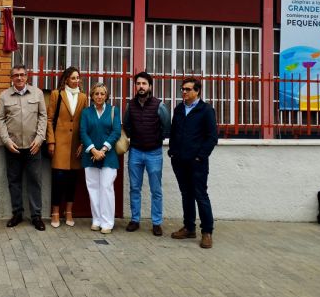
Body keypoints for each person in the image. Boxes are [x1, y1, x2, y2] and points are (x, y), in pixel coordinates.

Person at [0, 64, 47, 231]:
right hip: (13, 147)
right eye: (16, 75)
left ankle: (36, 216)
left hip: (34, 147)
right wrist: (6, 141)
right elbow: (0, 120)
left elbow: (43, 117)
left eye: (22, 75)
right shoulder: (4, 96)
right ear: (12, 78)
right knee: (14, 181)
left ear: (27, 77)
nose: (19, 78)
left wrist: (39, 139)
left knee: (35, 181)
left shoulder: (37, 93)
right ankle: (17, 213)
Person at [169, 77, 218, 249]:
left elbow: (212, 138)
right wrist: (173, 153)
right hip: (180, 161)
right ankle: (189, 227)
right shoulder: (179, 109)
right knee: (186, 194)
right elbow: (174, 133)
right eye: (182, 89)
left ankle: (207, 231)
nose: (184, 92)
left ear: (197, 91)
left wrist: (200, 156)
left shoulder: (206, 110)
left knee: (200, 195)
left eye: (188, 89)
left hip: (197, 163)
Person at [123, 71, 171, 236]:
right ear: (135, 86)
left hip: (154, 153)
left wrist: (156, 140)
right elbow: (127, 125)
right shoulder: (130, 105)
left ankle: (156, 223)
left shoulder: (160, 105)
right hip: (135, 152)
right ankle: (135, 219)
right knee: (134, 188)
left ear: (150, 86)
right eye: (138, 84)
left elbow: (166, 127)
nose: (141, 86)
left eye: (144, 84)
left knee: (156, 189)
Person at [46, 66, 86, 228]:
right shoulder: (57, 95)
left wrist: (83, 143)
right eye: (73, 78)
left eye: (78, 78)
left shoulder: (83, 97)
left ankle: (68, 211)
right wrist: (51, 141)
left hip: (76, 145)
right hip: (59, 144)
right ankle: (55, 212)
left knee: (72, 180)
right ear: (66, 79)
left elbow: (85, 121)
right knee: (58, 179)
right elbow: (49, 119)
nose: (76, 80)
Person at [79, 83, 121, 234]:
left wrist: (103, 149)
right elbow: (83, 132)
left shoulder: (113, 111)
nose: (99, 96)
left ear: (106, 96)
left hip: (108, 156)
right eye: (96, 93)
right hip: (90, 155)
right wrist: (93, 150)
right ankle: (96, 220)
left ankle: (107, 222)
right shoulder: (86, 112)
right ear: (91, 96)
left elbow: (116, 132)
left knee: (106, 188)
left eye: (102, 94)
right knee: (93, 189)